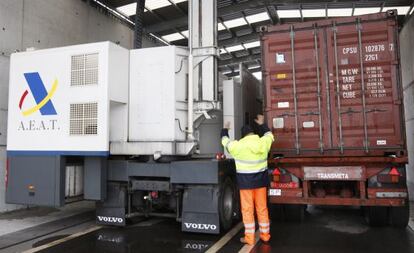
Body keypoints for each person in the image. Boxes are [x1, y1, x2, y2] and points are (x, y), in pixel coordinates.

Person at [221, 114, 275, 245]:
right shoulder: (262, 142)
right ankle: (265, 235)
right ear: (253, 133)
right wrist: (262, 124)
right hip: (261, 183)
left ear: (243, 135)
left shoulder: (238, 146)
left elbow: (225, 142)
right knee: (262, 209)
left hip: (245, 184)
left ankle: (249, 238)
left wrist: (225, 129)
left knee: (247, 210)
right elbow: (270, 136)